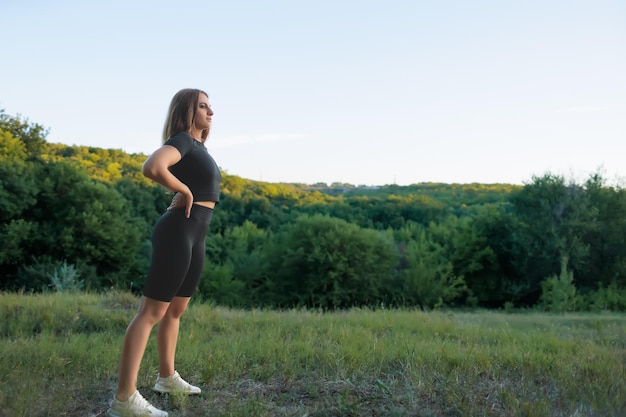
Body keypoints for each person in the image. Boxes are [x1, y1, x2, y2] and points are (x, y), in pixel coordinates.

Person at [106, 88, 221, 417]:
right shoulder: (183, 139)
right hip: (178, 230)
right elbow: (153, 166)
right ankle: (124, 399)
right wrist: (183, 189)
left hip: (197, 231)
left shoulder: (198, 147)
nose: (210, 112)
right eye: (202, 106)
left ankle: (167, 378)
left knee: (175, 311)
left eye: (211, 106)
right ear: (187, 110)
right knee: (151, 312)